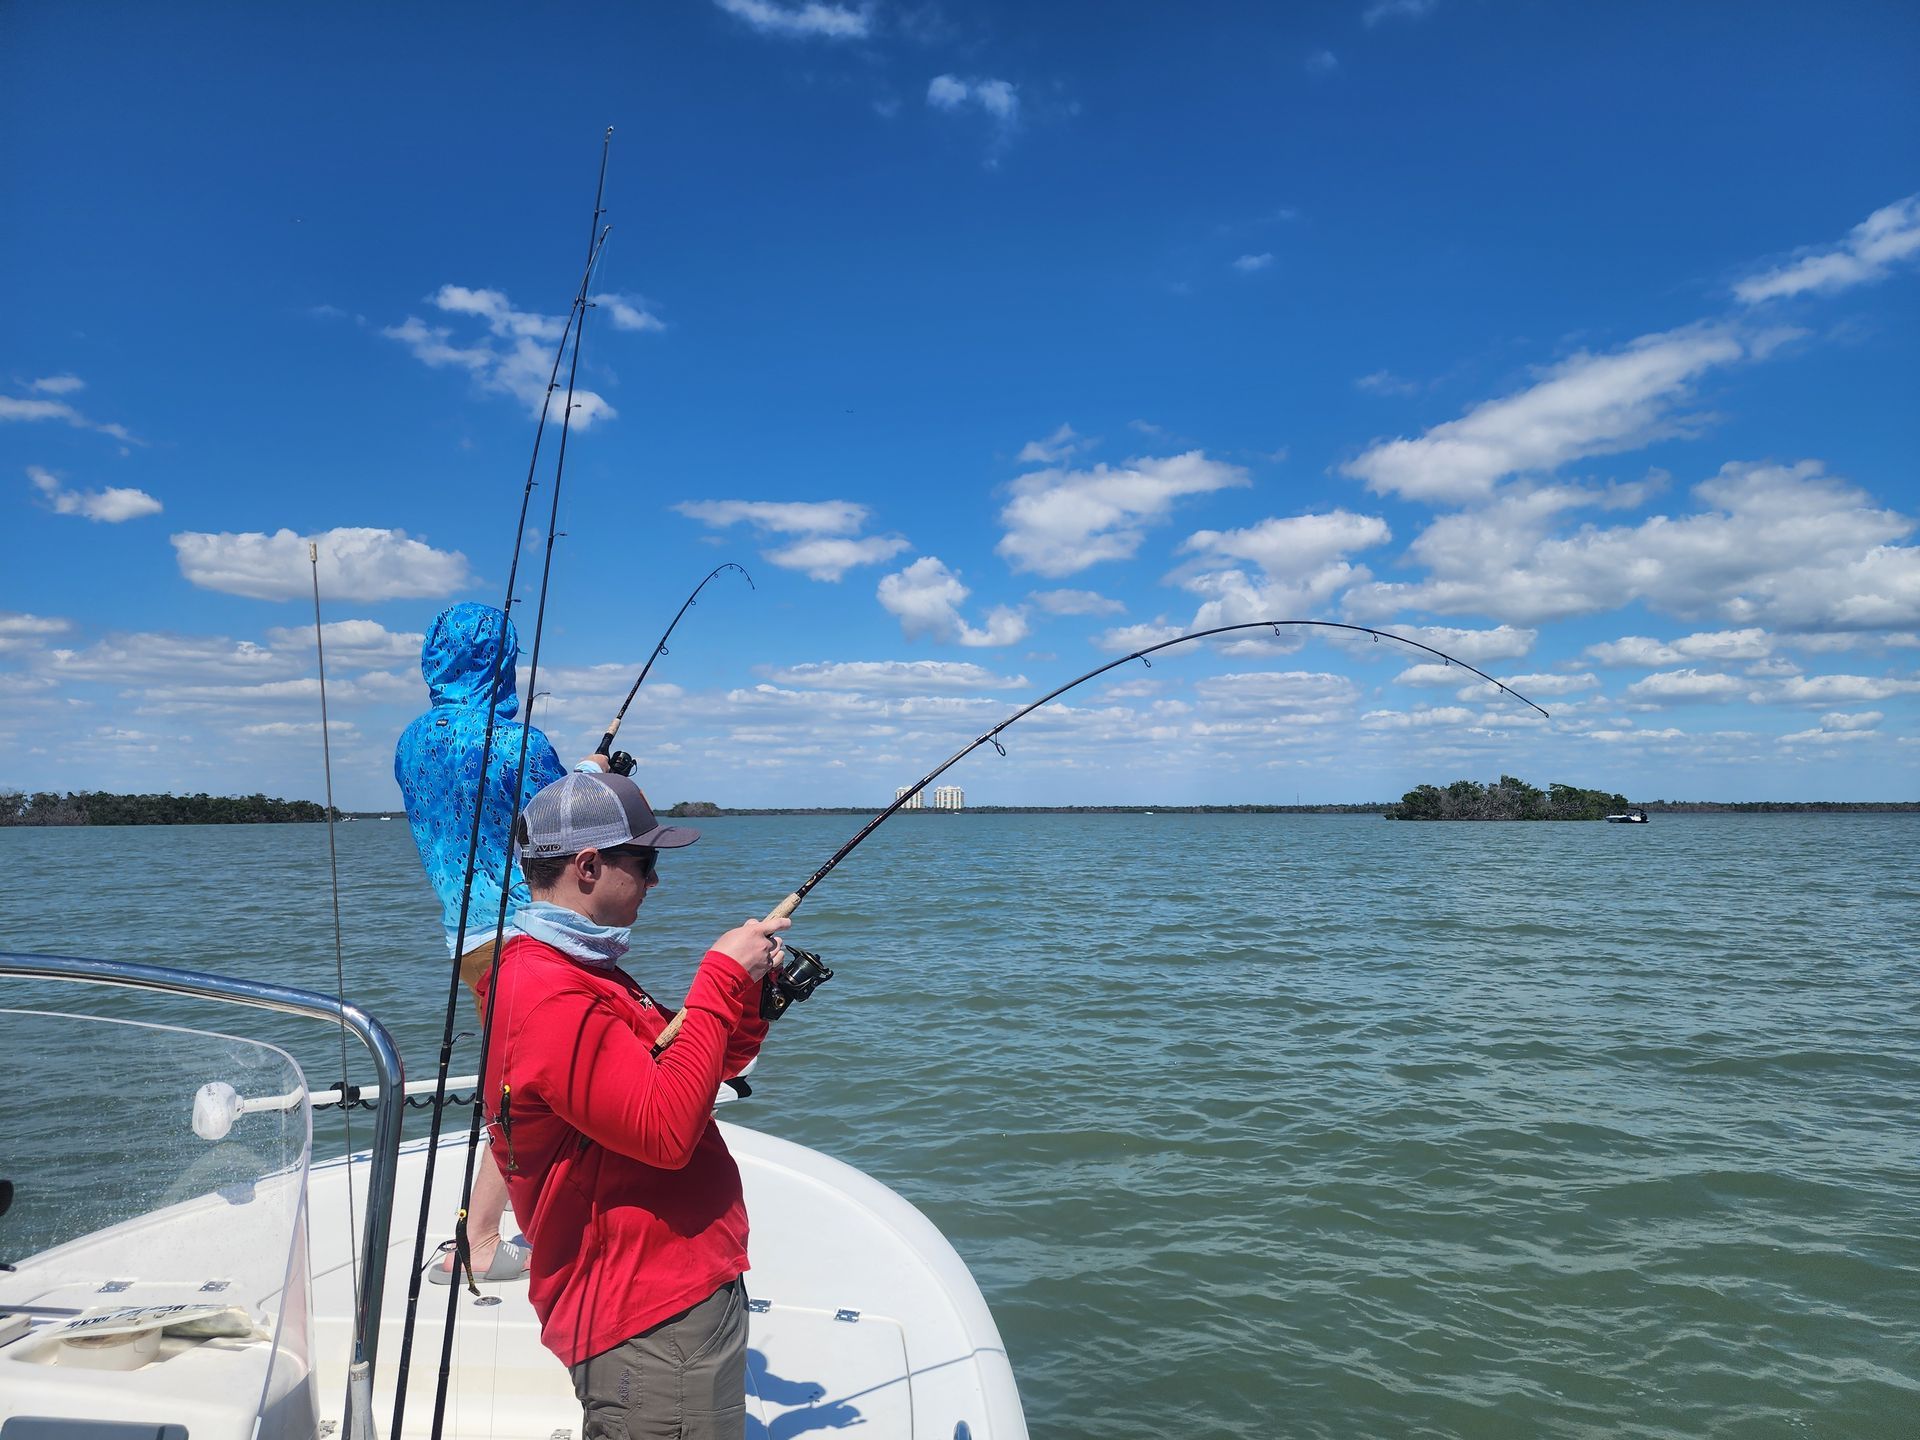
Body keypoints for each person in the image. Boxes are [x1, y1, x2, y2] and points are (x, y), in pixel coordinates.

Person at [476, 768, 787, 1438]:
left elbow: (696, 1073)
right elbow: (666, 1132)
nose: (654, 881)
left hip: (674, 1287)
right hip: (647, 1314)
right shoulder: (546, 992)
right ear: (587, 866)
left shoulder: (584, 971)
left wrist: (751, 1001)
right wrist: (717, 976)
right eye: (643, 863)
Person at [394, 601, 596, 1284]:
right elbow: (560, 824)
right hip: (530, 937)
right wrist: (589, 776)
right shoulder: (523, 745)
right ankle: (480, 1241)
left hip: (466, 942)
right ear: (502, 662)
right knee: (530, 1091)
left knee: (521, 1081)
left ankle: (496, 1229)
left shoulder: (409, 743)